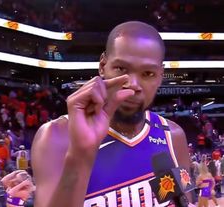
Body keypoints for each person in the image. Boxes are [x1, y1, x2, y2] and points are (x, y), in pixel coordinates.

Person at [31, 21, 193, 207]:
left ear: (160, 76)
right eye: (121, 69)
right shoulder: (56, 136)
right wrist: (80, 155)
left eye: (147, 73)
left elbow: (182, 202)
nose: (133, 84)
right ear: (103, 66)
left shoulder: (172, 136)